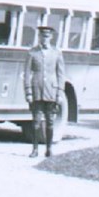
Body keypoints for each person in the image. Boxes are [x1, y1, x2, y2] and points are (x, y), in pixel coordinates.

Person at [24, 25, 65, 158]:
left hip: (51, 92)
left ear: (51, 37)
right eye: (42, 36)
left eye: (47, 36)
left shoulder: (57, 53)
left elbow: (60, 74)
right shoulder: (32, 52)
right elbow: (26, 73)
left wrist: (59, 93)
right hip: (36, 91)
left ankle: (49, 149)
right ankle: (35, 149)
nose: (44, 38)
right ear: (39, 36)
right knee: (36, 121)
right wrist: (28, 91)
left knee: (50, 121)